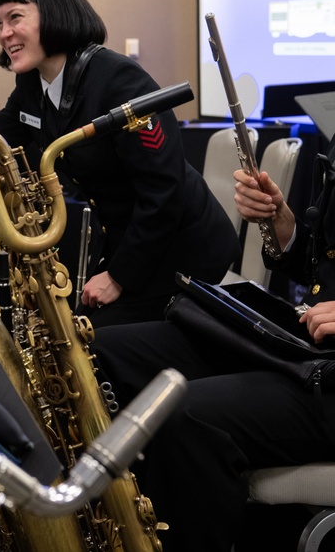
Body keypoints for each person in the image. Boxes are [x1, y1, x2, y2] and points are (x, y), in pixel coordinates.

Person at [0, 0, 238, 327]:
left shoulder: (121, 80)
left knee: (94, 345)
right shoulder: (31, 84)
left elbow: (165, 191)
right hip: (130, 244)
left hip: (184, 253)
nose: (4, 33)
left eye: (15, 18)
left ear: (54, 13)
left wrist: (119, 275)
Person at [91, 146, 335, 551]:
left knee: (181, 413)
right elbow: (321, 267)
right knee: (103, 353)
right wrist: (283, 225)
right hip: (310, 345)